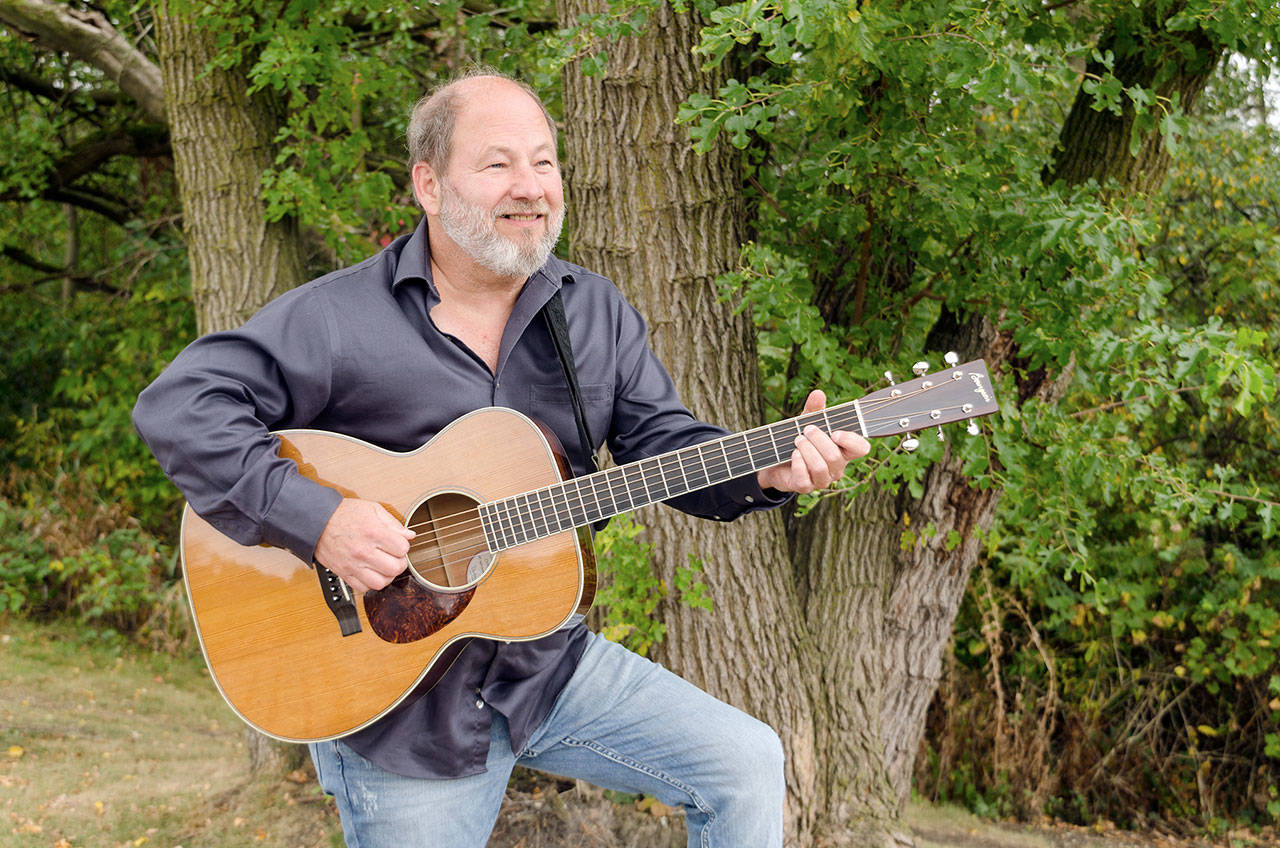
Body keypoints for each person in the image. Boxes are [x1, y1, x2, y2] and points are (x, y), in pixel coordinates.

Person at [132, 69, 868, 847]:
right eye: (499, 164)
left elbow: (665, 446)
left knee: (745, 761)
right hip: (399, 714)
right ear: (429, 184)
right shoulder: (338, 318)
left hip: (545, 668)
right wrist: (320, 521)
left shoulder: (593, 312)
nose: (531, 187)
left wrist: (765, 471)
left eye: (544, 162)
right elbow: (178, 407)